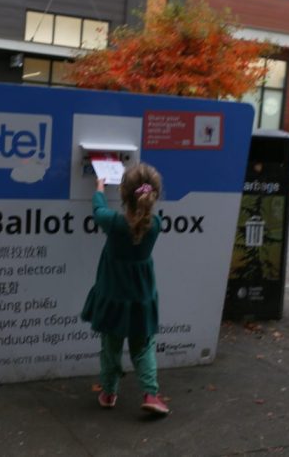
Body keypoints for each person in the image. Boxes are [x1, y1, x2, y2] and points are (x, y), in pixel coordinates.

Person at [81, 163, 169, 415]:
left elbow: (98, 210)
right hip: (141, 299)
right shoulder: (155, 224)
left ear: (122, 193)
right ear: (154, 195)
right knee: (144, 347)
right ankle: (151, 394)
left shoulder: (114, 223)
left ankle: (109, 392)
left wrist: (99, 188)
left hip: (113, 299)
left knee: (111, 349)